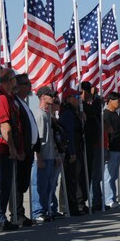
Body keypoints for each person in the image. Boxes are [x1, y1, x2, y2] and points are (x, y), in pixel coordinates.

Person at [0, 68, 23, 231]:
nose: (16, 82)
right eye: (14, 79)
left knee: (7, 183)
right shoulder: (1, 98)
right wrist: (11, 147)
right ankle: (0, 218)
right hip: (3, 147)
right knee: (2, 183)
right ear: (9, 81)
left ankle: (1, 217)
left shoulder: (8, 97)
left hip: (7, 146)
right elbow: (5, 126)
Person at [11, 74, 39, 227]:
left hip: (28, 149)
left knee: (22, 183)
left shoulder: (23, 103)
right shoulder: (15, 102)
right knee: (16, 183)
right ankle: (17, 213)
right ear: (19, 85)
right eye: (27, 84)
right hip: (20, 150)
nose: (30, 87)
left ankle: (20, 212)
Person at [31, 86, 58, 223]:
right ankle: (37, 212)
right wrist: (39, 158)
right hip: (42, 158)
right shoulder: (40, 115)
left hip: (49, 156)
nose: (53, 98)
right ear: (43, 97)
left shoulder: (47, 114)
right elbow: (39, 140)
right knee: (39, 185)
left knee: (47, 185)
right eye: (50, 95)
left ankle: (46, 209)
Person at [58, 87, 85, 215]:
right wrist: (72, 152)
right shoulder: (68, 114)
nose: (78, 99)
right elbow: (69, 134)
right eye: (76, 97)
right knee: (69, 179)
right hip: (71, 151)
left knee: (74, 179)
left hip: (76, 149)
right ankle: (68, 206)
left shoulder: (73, 112)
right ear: (68, 99)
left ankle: (72, 205)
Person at [81, 81, 103, 211]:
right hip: (85, 144)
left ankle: (90, 200)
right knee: (85, 174)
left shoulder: (89, 105)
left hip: (93, 143)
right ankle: (82, 201)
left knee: (92, 174)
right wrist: (95, 99)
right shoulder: (82, 106)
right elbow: (92, 110)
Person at [102, 92, 120, 208]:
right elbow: (106, 133)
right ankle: (108, 200)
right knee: (108, 176)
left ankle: (112, 198)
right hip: (111, 148)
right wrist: (107, 148)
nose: (119, 103)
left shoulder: (116, 115)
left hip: (118, 147)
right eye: (117, 101)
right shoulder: (106, 115)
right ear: (110, 101)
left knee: (113, 175)